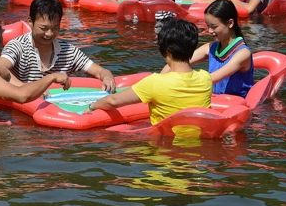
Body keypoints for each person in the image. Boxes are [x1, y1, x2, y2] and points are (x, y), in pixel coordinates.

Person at [83, 19, 212, 126]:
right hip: (195, 152)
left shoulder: (156, 82)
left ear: (166, 50)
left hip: (162, 152)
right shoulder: (205, 78)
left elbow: (113, 100)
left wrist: (92, 106)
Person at [0, 0, 116, 92]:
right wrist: (29, 90)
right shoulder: (17, 46)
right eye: (43, 28)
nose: (49, 34)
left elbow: (100, 71)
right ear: (30, 22)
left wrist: (107, 78)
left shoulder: (68, 51)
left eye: (55, 28)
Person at [188, 0, 254, 97]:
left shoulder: (243, 53)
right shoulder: (210, 47)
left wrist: (183, 85)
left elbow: (213, 78)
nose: (209, 31)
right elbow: (179, 62)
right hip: (217, 102)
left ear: (230, 23)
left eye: (214, 26)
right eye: (208, 26)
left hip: (236, 106)